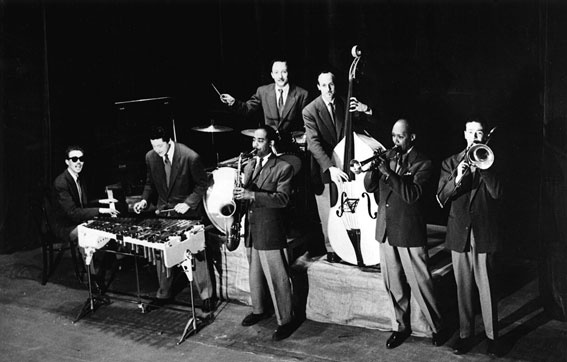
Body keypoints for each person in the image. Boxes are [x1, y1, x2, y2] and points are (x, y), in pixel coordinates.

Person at [363, 119, 444, 349]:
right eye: (393, 136)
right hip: (387, 229)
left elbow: (412, 195)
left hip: (409, 231)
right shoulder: (387, 158)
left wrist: (388, 173)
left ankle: (437, 327)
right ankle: (400, 326)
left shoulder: (423, 163)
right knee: (393, 284)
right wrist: (371, 170)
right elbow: (369, 187)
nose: (395, 141)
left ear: (412, 137)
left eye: (400, 136)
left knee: (421, 283)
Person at [437, 118, 503, 357]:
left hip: (483, 233)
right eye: (471, 132)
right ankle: (466, 335)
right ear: (465, 135)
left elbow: (497, 193)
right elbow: (441, 197)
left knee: (487, 287)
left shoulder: (492, 160)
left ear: (484, 137)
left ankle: (492, 337)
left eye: (480, 132)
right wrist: (457, 178)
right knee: (462, 288)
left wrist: (485, 168)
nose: (475, 136)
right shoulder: (450, 162)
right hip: (459, 233)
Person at [133, 126, 216, 312]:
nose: (157, 150)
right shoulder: (150, 157)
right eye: (154, 146)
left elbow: (203, 183)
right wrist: (144, 200)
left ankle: (207, 295)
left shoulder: (189, 156)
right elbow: (150, 182)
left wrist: (188, 202)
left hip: (188, 213)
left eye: (160, 146)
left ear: (169, 141)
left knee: (195, 254)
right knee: (162, 253)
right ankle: (164, 293)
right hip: (165, 212)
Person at [233, 126, 297, 341]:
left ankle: (285, 320)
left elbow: (283, 199)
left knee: (277, 277)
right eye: (254, 141)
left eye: (260, 141)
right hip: (251, 226)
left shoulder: (283, 167)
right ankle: (259, 309)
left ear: (270, 143)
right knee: (255, 275)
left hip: (270, 228)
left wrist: (252, 194)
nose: (255, 145)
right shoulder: (250, 165)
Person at [302, 71, 373, 257]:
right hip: (324, 167)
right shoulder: (310, 110)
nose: (328, 89)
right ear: (318, 87)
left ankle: (352, 247)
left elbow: (367, 122)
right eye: (324, 85)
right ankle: (331, 247)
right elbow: (313, 144)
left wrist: (365, 108)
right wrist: (330, 167)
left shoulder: (345, 103)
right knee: (328, 210)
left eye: (331, 84)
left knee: (350, 205)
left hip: (347, 164)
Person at [52, 146, 119, 284]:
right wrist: (101, 210)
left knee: (104, 228)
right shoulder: (61, 183)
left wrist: (103, 201)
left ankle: (103, 265)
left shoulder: (78, 177)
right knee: (87, 233)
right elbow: (73, 213)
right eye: (74, 159)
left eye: (81, 159)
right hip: (65, 226)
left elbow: (83, 203)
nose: (78, 162)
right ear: (67, 162)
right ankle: (91, 278)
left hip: (74, 219)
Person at [220, 60, 309, 148]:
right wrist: (233, 102)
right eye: (276, 72)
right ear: (272, 75)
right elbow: (248, 109)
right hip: (269, 145)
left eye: (284, 72)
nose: (280, 76)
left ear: (288, 73)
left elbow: (307, 123)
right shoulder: (262, 91)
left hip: (291, 146)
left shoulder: (302, 94)